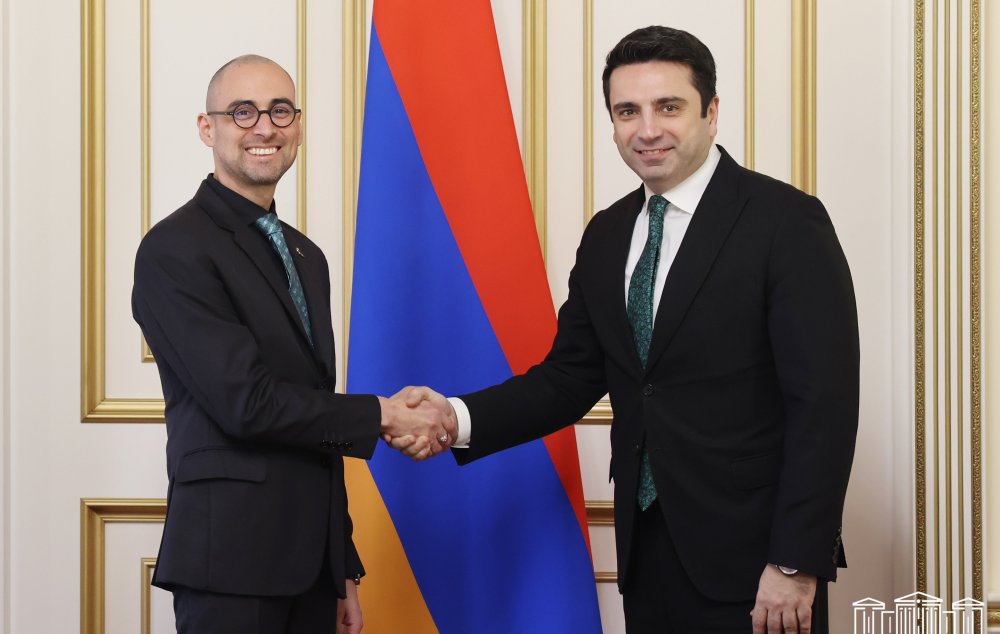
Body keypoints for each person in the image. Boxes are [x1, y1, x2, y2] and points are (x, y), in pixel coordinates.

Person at [392, 26, 859, 634]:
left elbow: (824, 406)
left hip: (757, 564)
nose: (647, 129)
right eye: (627, 111)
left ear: (711, 112)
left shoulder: (786, 221)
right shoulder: (608, 234)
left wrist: (794, 562)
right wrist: (454, 418)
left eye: (669, 107)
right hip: (647, 557)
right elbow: (567, 379)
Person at [132, 54, 455, 634]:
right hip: (230, 565)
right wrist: (383, 414)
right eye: (242, 112)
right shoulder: (174, 249)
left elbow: (315, 420)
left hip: (312, 569)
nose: (264, 127)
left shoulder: (307, 257)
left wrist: (342, 568)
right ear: (207, 128)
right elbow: (247, 403)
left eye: (280, 111)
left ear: (298, 127)